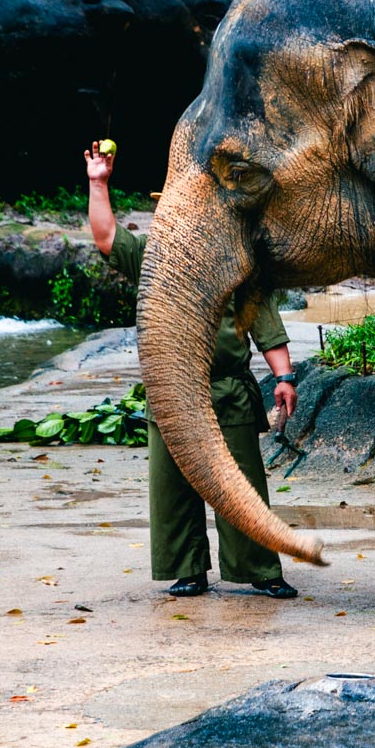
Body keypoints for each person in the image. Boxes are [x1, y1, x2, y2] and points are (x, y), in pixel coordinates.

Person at [85, 140, 300, 599]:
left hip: (227, 389)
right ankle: (188, 569)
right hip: (173, 387)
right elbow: (106, 238)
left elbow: (264, 320)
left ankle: (260, 569)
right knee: (173, 488)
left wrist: (284, 377)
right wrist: (98, 182)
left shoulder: (235, 257)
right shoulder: (153, 254)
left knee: (240, 482)